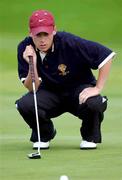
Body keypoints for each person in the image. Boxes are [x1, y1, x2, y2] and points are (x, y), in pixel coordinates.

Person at [16, 9, 116, 150]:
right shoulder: (25, 48)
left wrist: (97, 88)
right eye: (38, 35)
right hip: (49, 93)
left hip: (78, 91)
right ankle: (45, 134)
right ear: (30, 32)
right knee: (25, 104)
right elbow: (32, 87)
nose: (42, 39)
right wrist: (32, 63)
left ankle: (89, 136)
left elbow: (106, 56)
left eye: (46, 34)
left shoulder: (69, 42)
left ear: (54, 30)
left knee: (94, 103)